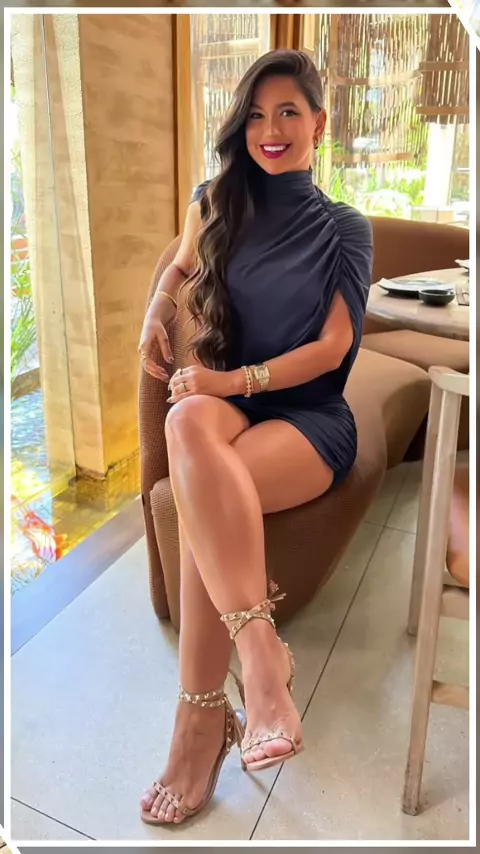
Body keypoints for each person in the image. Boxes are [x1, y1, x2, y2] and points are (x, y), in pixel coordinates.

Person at [138, 49, 373, 826]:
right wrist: (155, 311)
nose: (271, 129)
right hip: (225, 407)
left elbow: (333, 348)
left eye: (289, 113)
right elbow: (180, 268)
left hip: (307, 419)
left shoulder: (345, 228)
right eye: (258, 115)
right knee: (185, 421)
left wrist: (229, 382)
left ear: (319, 124)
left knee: (201, 478)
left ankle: (199, 725)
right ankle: (262, 658)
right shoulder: (215, 201)